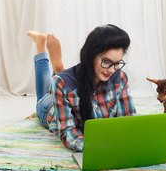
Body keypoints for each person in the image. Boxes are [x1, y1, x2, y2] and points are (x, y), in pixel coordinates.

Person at [27, 24, 136, 152]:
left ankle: (58, 70)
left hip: (65, 86)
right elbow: (68, 132)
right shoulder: (61, 83)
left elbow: (128, 120)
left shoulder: (120, 77)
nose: (112, 70)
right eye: (106, 62)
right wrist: (96, 149)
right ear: (91, 56)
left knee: (58, 82)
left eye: (117, 63)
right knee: (42, 96)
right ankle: (40, 47)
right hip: (49, 109)